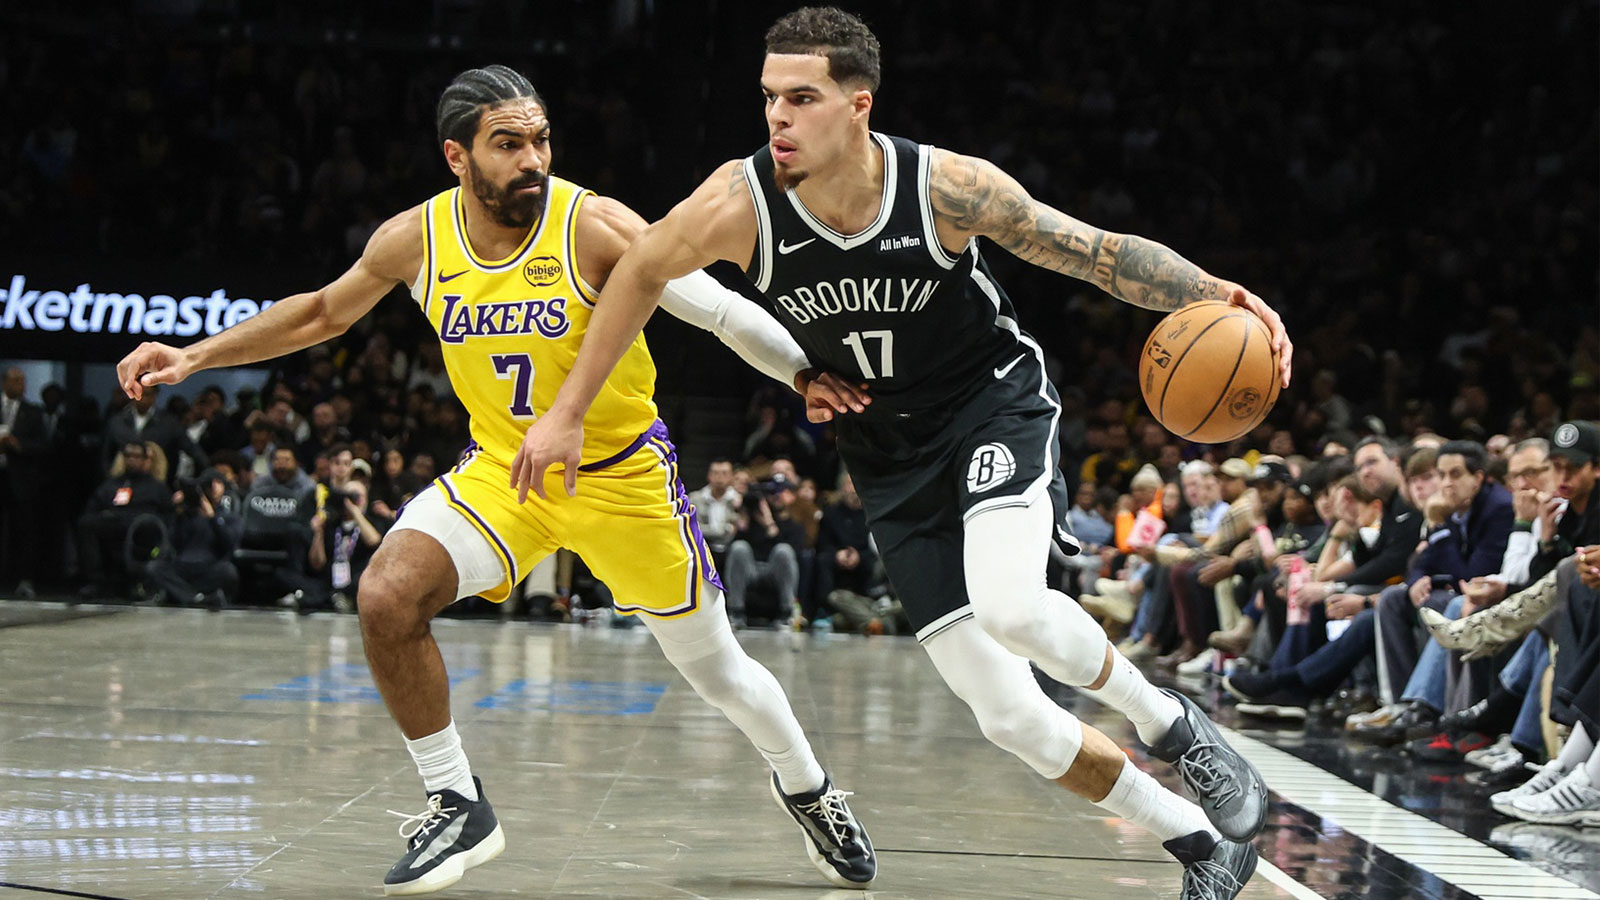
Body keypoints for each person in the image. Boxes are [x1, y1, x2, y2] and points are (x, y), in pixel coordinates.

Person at [517, 10, 1291, 897]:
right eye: (768, 97)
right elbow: (640, 271)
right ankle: (1201, 841)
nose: (777, 117)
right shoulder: (739, 203)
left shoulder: (947, 188)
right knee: (1008, 716)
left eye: (802, 98)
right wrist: (569, 411)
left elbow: (1097, 254)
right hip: (887, 450)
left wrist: (1214, 291)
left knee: (1011, 608)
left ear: (859, 104)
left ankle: (1175, 728)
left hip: (988, 407)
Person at [115, 64, 873, 895]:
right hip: (506, 474)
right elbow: (324, 312)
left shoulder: (593, 224)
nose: (532, 159)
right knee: (386, 595)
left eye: (540, 139)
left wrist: (803, 373)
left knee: (718, 671)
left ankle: (809, 788)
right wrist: (195, 355)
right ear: (457, 156)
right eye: (508, 144)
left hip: (623, 478)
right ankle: (456, 801)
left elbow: (718, 310)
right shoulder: (416, 238)